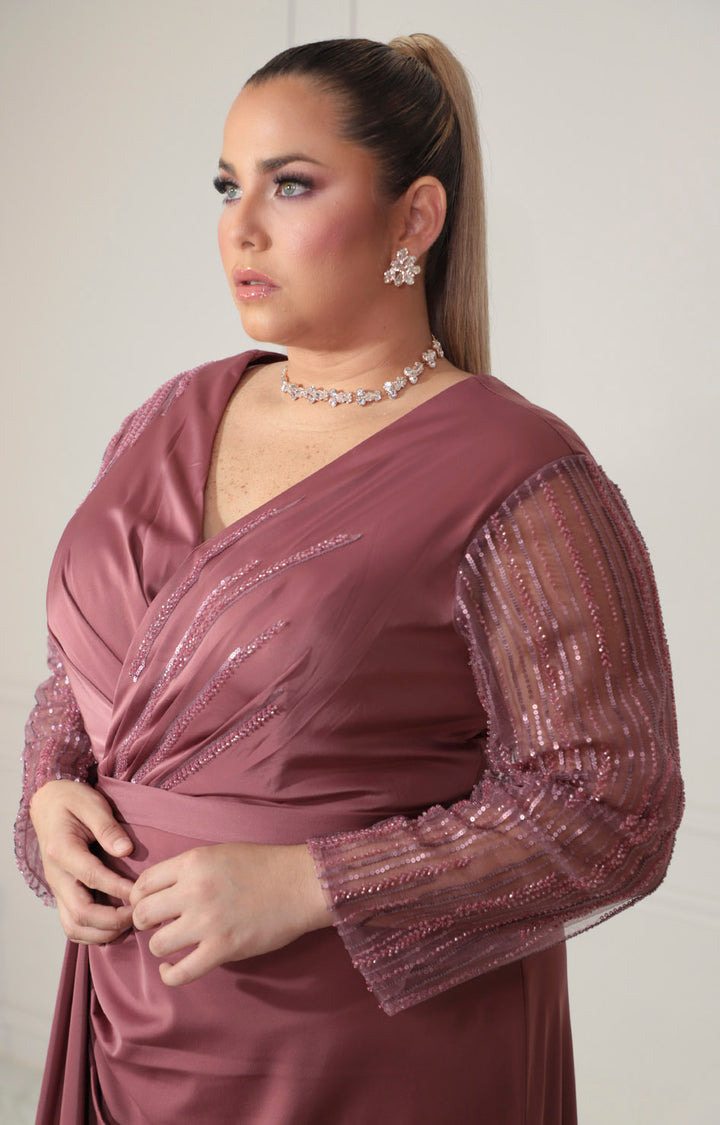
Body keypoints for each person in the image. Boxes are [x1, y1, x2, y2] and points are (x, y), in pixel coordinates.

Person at [15, 33, 684, 1125]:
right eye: (227, 186)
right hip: (128, 1028)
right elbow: (93, 676)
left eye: (290, 185)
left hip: (368, 1058)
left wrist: (312, 883)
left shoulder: (519, 473)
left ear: (414, 218)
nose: (240, 227)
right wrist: (53, 792)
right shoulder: (168, 414)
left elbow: (613, 808)